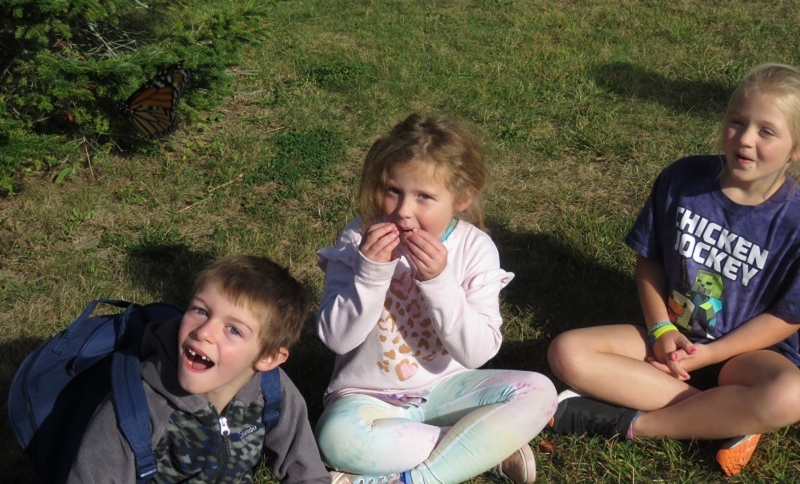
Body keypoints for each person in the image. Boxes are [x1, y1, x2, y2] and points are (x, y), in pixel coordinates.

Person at [547, 63, 800, 476]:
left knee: (792, 395)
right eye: (737, 122)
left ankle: (635, 425)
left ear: (796, 149)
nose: (745, 139)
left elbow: (789, 315)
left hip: (748, 357)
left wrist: (711, 355)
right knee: (567, 352)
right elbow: (650, 259)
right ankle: (729, 418)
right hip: (671, 337)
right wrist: (661, 329)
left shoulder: (795, 221)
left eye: (766, 131)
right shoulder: (682, 179)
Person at [315, 114, 557, 484]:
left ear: (462, 199)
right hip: (369, 397)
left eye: (424, 197)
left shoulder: (474, 248)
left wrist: (440, 282)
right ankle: (482, 448)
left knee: (540, 391)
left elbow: (478, 353)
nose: (402, 210)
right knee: (335, 439)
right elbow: (336, 338)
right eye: (392, 190)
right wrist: (370, 272)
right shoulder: (356, 239)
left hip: (449, 392)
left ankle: (408, 479)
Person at [68, 255, 330, 483]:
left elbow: (308, 473)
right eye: (201, 311)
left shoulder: (272, 391)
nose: (204, 332)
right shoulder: (137, 409)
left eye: (234, 330)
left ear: (268, 358)